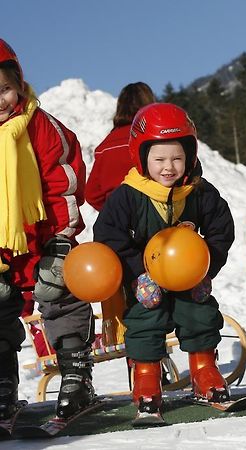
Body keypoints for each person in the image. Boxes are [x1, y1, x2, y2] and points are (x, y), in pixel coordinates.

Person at [93, 103, 235, 418]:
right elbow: (107, 235)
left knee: (199, 312)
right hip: (147, 281)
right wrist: (138, 275)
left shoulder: (198, 192)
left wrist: (205, 269)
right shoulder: (127, 195)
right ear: (142, 157)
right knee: (144, 319)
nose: (168, 167)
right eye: (159, 159)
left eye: (177, 158)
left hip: (187, 277)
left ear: (190, 157)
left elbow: (221, 229)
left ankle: (203, 368)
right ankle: (146, 375)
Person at [0, 39, 95, 420]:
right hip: (3, 248)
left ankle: (76, 373)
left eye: (4, 89)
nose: (0, 100)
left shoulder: (41, 127)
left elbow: (63, 183)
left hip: (43, 236)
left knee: (62, 291)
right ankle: (3, 382)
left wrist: (60, 243)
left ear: (19, 85)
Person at [85, 82, 155, 211]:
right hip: (154, 214)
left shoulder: (105, 146)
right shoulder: (155, 139)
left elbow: (92, 194)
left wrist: (113, 211)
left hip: (118, 220)